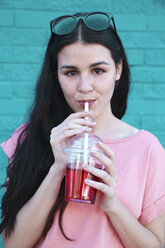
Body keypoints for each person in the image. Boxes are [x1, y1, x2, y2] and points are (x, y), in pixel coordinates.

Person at [0, 12, 165, 248]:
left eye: (98, 71)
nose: (84, 87)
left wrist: (112, 205)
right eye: (71, 73)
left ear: (118, 70)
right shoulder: (30, 136)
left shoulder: (147, 148)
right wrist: (57, 169)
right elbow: (13, 244)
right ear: (56, 76)